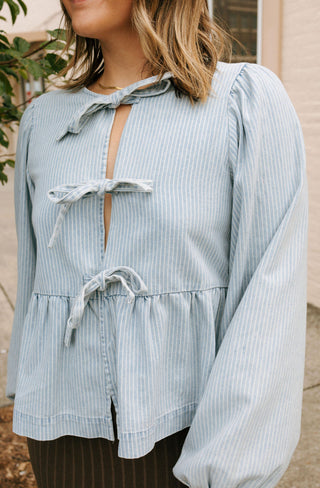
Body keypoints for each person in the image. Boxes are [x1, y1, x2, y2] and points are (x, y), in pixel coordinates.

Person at [6, 0, 309, 487]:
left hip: (193, 436)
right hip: (62, 437)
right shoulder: (43, 122)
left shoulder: (243, 102)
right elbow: (36, 278)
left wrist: (229, 470)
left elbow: (268, 299)